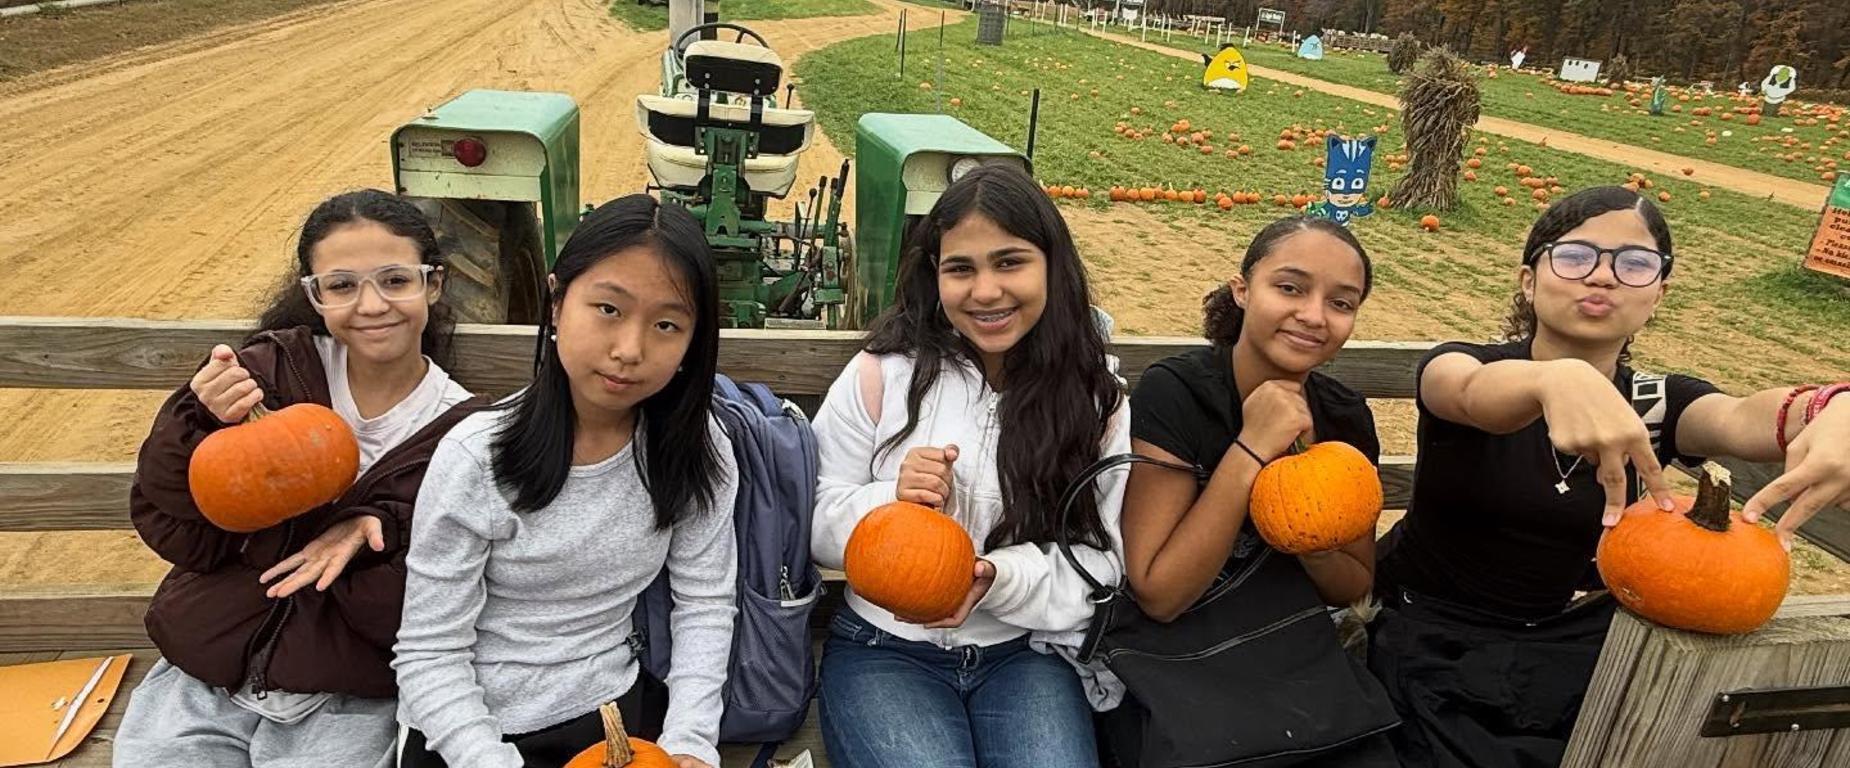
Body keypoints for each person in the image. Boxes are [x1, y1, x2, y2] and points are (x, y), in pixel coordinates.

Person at [1371, 185, 1850, 767]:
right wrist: (1555, 380)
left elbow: (1742, 417)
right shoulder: (1467, 366)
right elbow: (1468, 395)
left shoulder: (1657, 403)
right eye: (1575, 257)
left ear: (1658, 294)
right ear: (1530, 280)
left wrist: (1835, 406)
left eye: (1634, 264)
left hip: (1571, 655)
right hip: (1428, 640)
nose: (1602, 277)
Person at [115, 189, 483, 767]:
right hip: (210, 670)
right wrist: (193, 420)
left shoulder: (466, 432)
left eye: (395, 280)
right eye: (342, 286)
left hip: (350, 691)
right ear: (313, 296)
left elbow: (434, 602)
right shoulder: (267, 373)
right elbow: (177, 525)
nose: (371, 304)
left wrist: (377, 524)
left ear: (432, 284)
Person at [393, 195, 737, 768]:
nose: (630, 350)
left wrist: (690, 744)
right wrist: (488, 758)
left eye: (667, 324)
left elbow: (704, 603)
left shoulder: (694, 451)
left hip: (611, 722)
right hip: (468, 731)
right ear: (556, 302)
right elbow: (429, 651)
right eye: (608, 309)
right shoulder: (480, 458)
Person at [809, 163, 1130, 768]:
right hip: (884, 650)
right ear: (936, 278)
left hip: (1025, 653)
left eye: (1010, 262)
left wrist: (995, 578)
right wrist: (889, 500)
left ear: (1052, 267)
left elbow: (1099, 563)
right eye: (961, 268)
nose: (985, 292)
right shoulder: (882, 374)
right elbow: (816, 522)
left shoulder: (1095, 402)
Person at [1103, 216, 1398, 767]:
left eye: (1341, 303)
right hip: (1181, 659)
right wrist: (1251, 450)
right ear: (1242, 291)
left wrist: (1308, 531)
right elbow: (1160, 593)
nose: (1313, 315)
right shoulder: (1179, 391)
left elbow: (1352, 584)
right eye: (1289, 288)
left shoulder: (1344, 417)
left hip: (1288, 651)